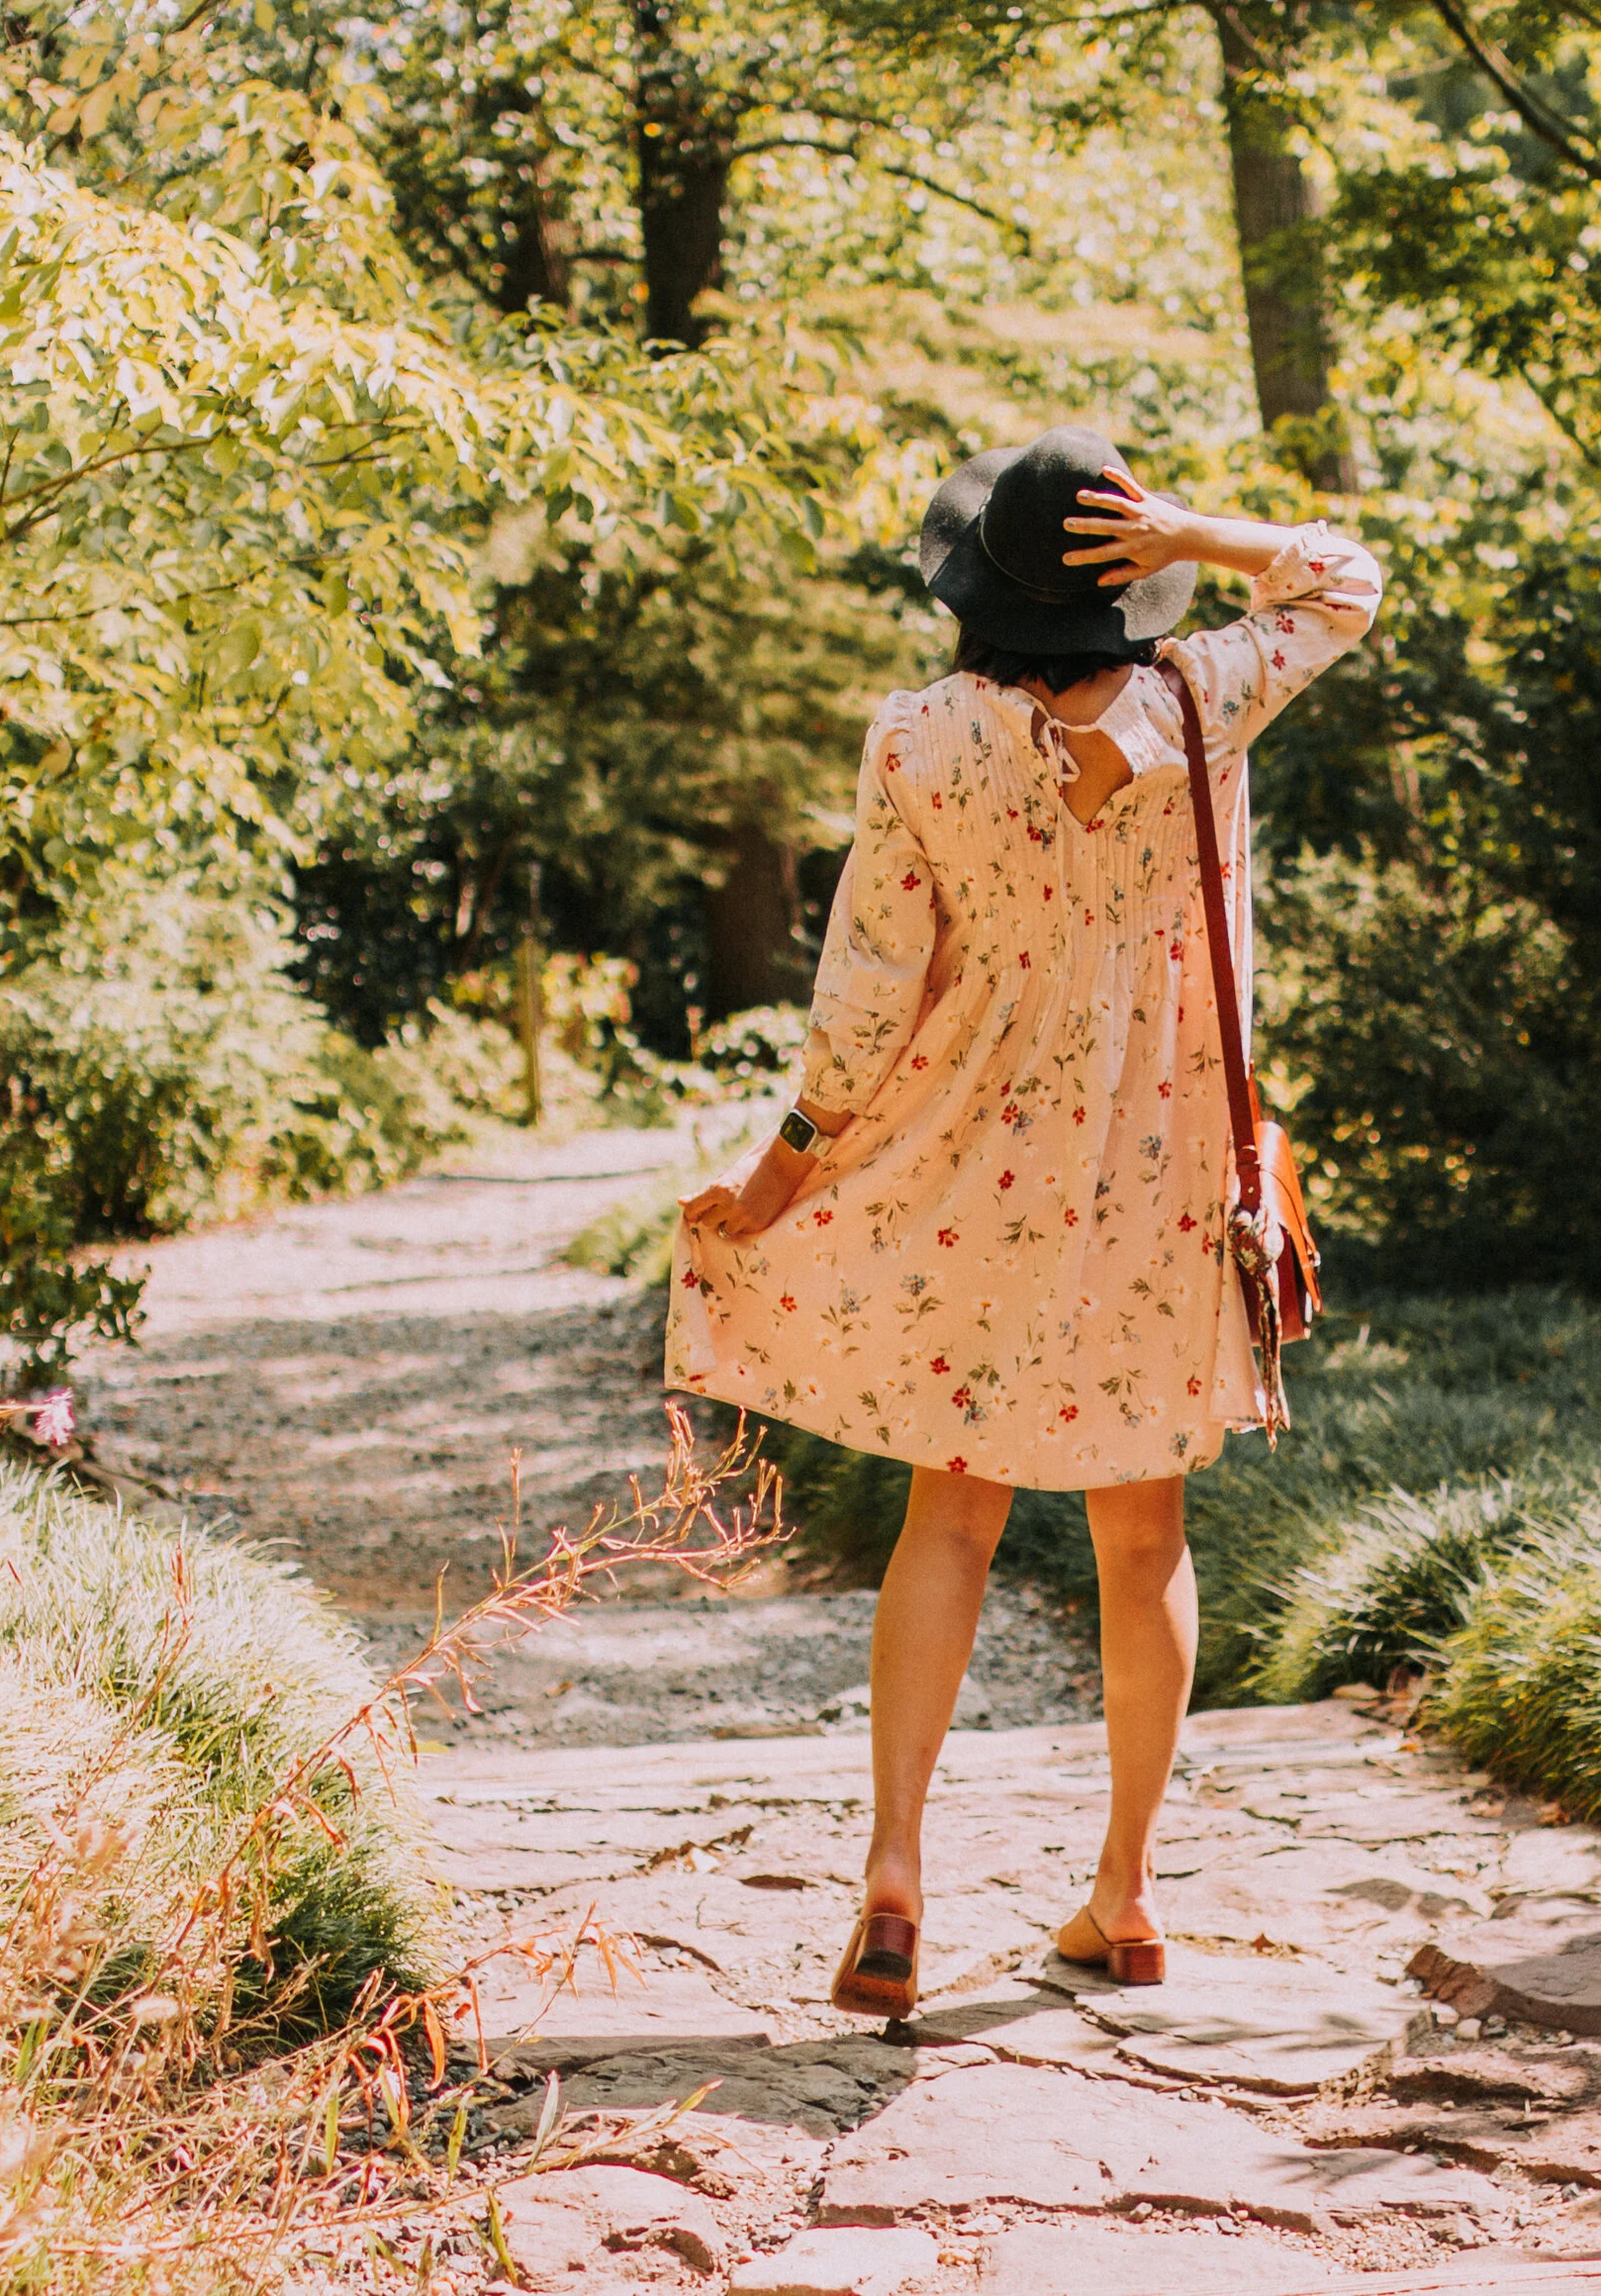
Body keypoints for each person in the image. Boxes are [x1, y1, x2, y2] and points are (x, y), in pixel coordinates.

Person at [668, 425, 1382, 2018]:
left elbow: (864, 992)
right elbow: (1346, 577)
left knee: (952, 1516)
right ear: (1129, 583)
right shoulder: (1204, 697)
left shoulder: (920, 739)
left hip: (979, 1161)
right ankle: (1125, 1896)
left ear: (977, 583)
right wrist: (1195, 526)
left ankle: (896, 1883)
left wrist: (787, 1168)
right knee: (1146, 1537)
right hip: (1161, 1165)